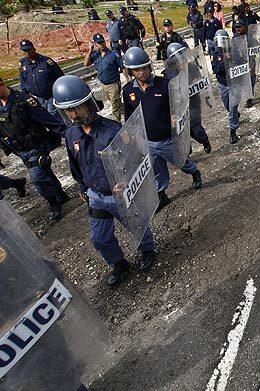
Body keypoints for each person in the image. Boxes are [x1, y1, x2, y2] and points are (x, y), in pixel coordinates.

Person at [54, 75, 156, 288]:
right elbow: (76, 163)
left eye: (77, 109)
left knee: (137, 225)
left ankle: (147, 250)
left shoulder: (112, 130)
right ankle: (118, 263)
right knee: (99, 237)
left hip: (119, 194)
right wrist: (82, 185)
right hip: (96, 197)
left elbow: (134, 157)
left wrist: (127, 181)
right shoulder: (71, 133)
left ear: (88, 104)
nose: (74, 115)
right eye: (68, 111)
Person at [122, 47, 203, 211]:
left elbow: (179, 105)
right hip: (147, 140)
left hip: (166, 138)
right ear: (131, 72)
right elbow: (130, 115)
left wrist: (176, 116)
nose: (141, 72)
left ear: (149, 67)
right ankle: (161, 194)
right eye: (136, 70)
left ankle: (194, 172)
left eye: (144, 68)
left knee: (181, 162)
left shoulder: (164, 85)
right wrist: (130, 133)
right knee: (156, 169)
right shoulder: (128, 91)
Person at [0, 77, 68, 220]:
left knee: (37, 176)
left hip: (37, 145)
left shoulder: (23, 100)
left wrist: (69, 134)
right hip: (20, 149)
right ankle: (60, 194)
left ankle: (53, 202)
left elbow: (46, 119)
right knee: (44, 171)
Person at [165, 43, 212, 153]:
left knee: (197, 130)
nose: (181, 61)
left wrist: (196, 81)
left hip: (193, 103)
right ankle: (187, 152)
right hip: (179, 107)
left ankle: (204, 140)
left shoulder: (191, 67)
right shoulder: (168, 73)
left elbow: (199, 80)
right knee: (184, 132)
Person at [211, 30, 243, 144]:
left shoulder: (233, 51)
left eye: (223, 41)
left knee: (232, 107)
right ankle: (235, 115)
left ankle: (233, 131)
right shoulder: (215, 55)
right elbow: (216, 70)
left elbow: (241, 63)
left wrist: (231, 58)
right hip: (223, 84)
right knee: (227, 106)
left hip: (234, 84)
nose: (221, 44)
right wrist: (224, 60)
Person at [83, 33, 124, 122]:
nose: (101, 44)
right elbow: (86, 64)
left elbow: (122, 67)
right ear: (95, 44)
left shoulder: (113, 54)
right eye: (98, 43)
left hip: (113, 84)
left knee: (115, 106)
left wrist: (128, 80)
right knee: (115, 102)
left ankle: (117, 123)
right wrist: (90, 50)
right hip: (104, 84)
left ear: (105, 42)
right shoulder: (95, 55)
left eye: (102, 42)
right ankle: (127, 110)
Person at [18, 39, 64, 117]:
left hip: (50, 96)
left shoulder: (46, 62)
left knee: (53, 114)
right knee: (44, 117)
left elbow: (60, 77)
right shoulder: (23, 64)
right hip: (36, 99)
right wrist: (25, 94)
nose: (27, 53)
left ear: (33, 49)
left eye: (29, 50)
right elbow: (23, 81)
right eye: (25, 51)